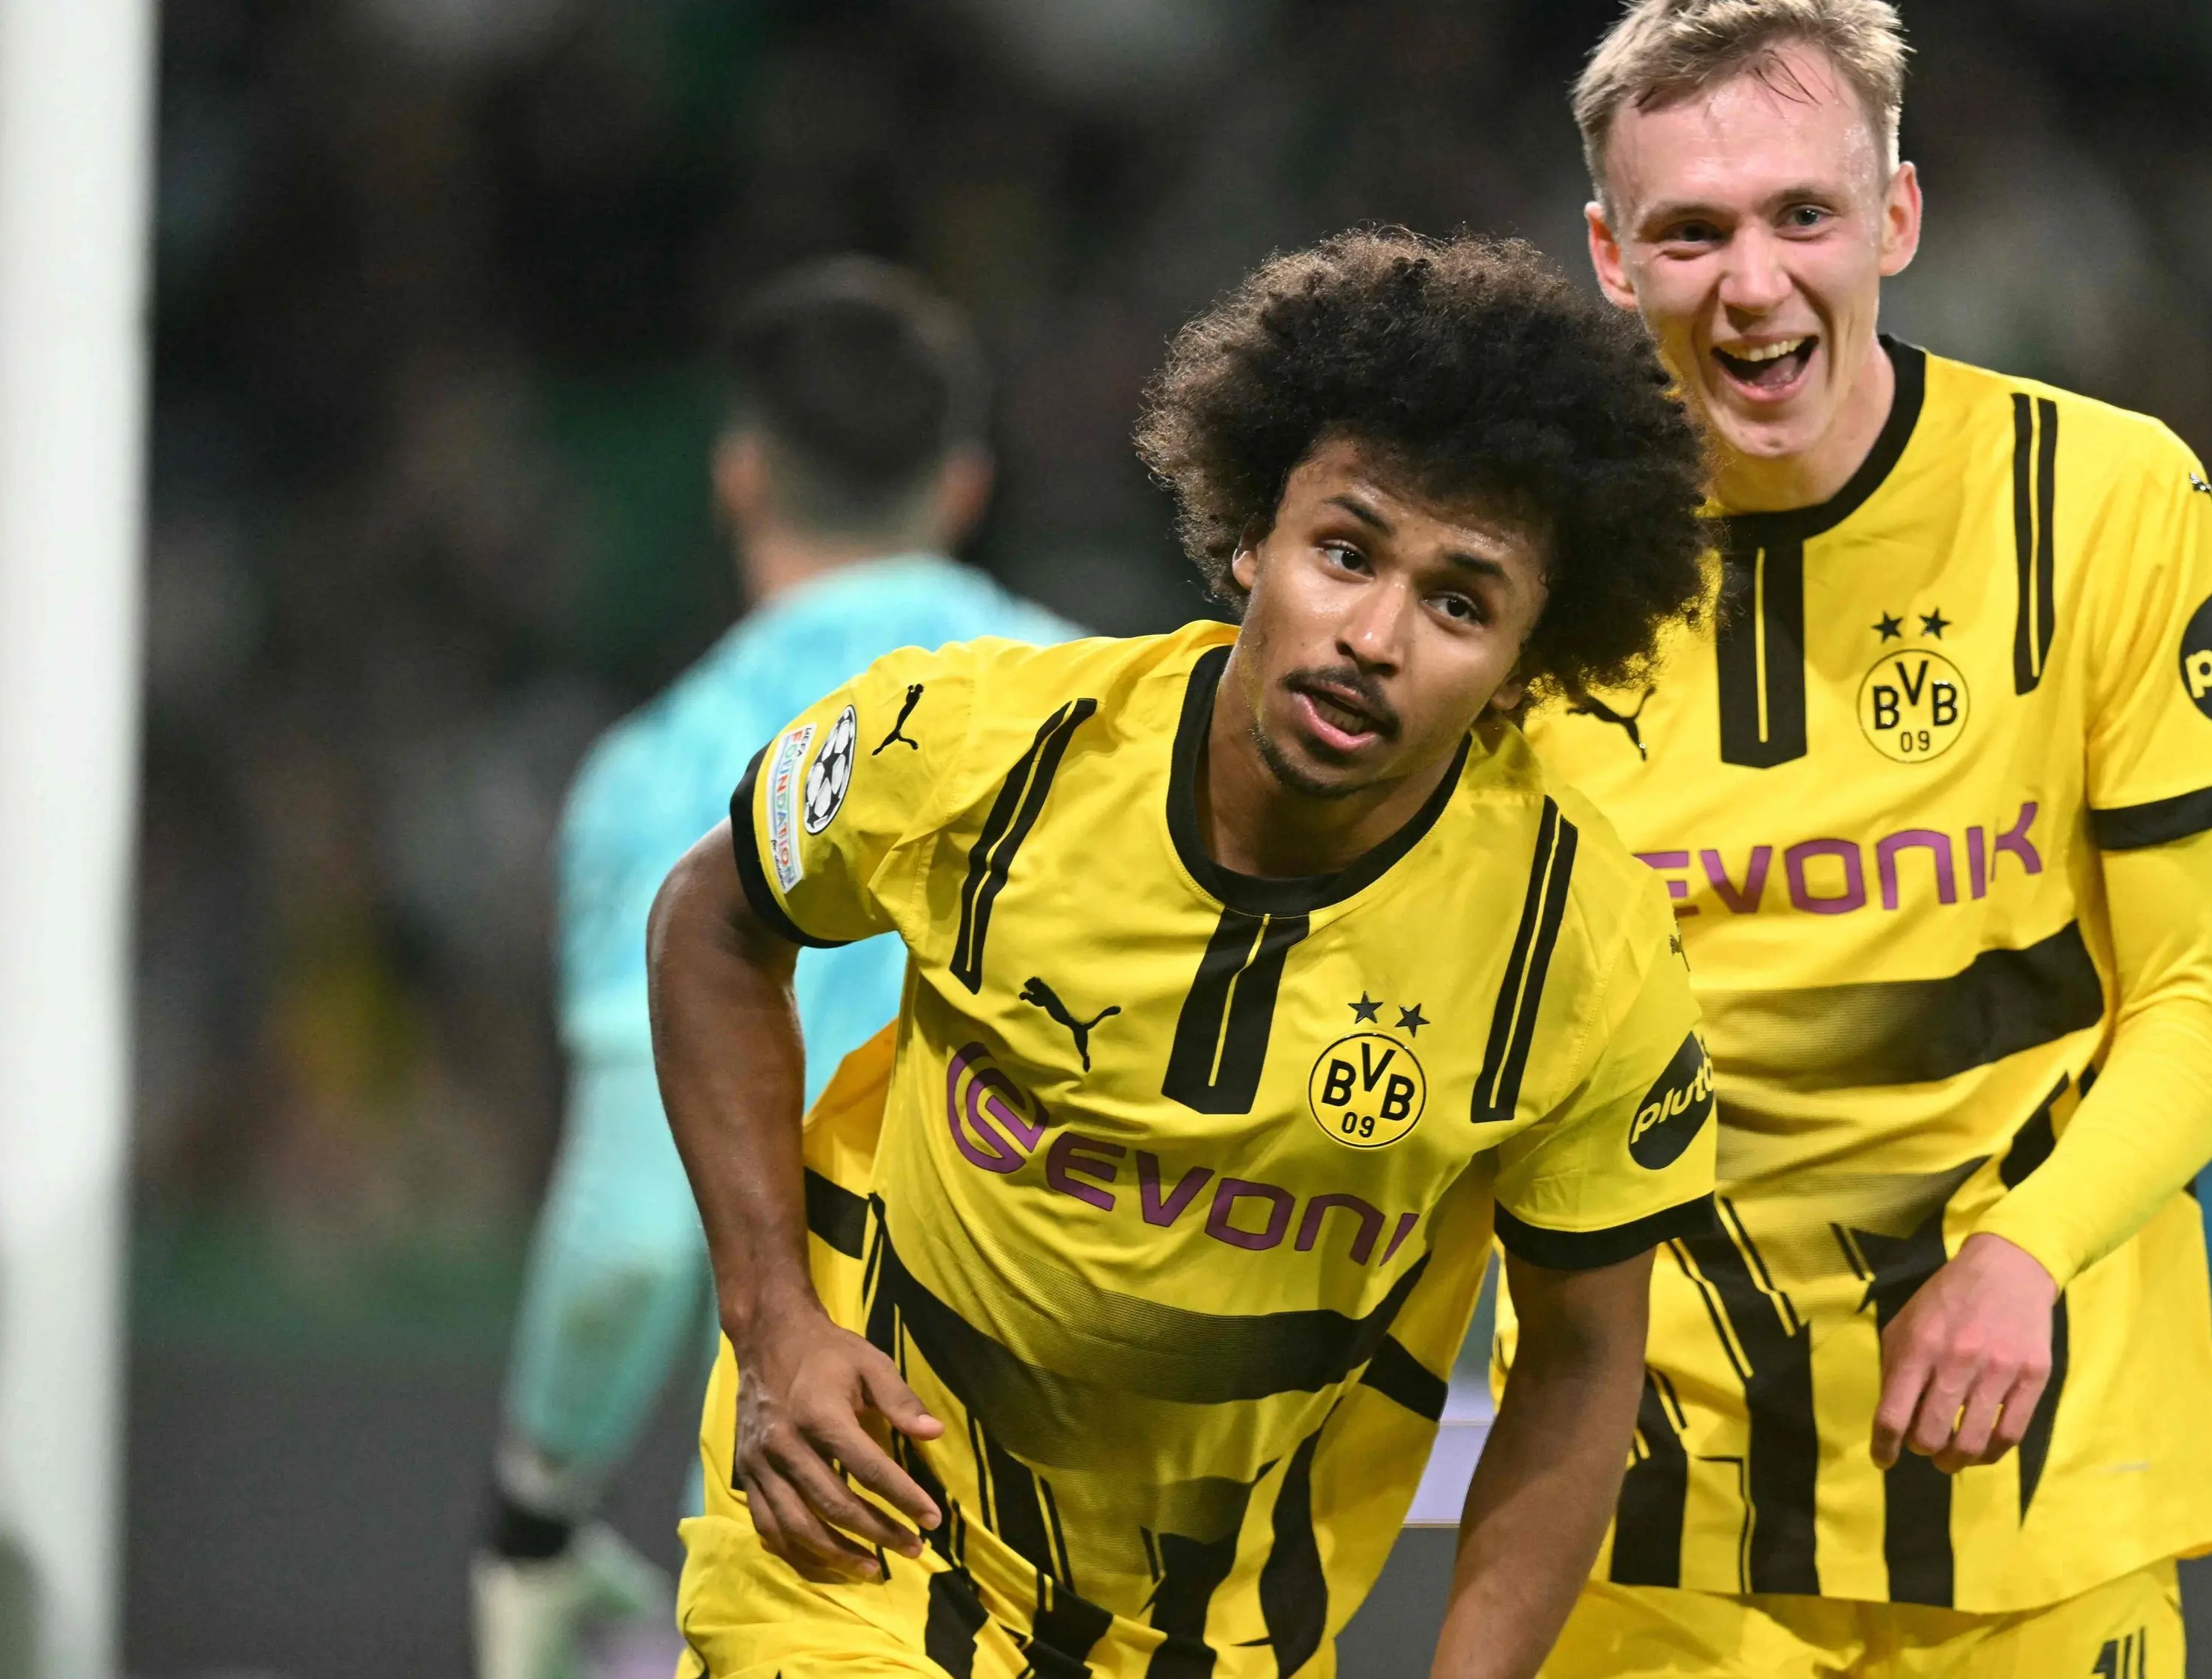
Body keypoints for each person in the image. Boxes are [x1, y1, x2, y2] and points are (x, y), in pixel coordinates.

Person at [651, 229, 1726, 1679]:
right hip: (861, 1555)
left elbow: (1585, 1360)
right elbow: (708, 922)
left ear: (1530, 665)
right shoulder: (979, 752)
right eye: (1342, 553)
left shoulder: (1570, 949)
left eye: (1457, 603)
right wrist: (773, 1327)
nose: (1371, 636)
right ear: (1249, 537)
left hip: (1221, 1637)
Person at [1500, 4, 2212, 1675]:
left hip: (2043, 1496)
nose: (1751, 280)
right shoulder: (1513, 571)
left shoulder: (2104, 501)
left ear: (1896, 218)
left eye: (1802, 214)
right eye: (1690, 230)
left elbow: (2195, 1008)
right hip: (1647, 1526)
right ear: (1606, 254)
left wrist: (2024, 1252)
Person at [474, 257, 1080, 1679]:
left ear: (741, 477)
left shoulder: (669, 771)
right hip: (1133, 1547)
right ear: (967, 482)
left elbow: (628, 1237)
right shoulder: (1116, 721)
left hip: (832, 1556)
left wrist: (535, 1510)